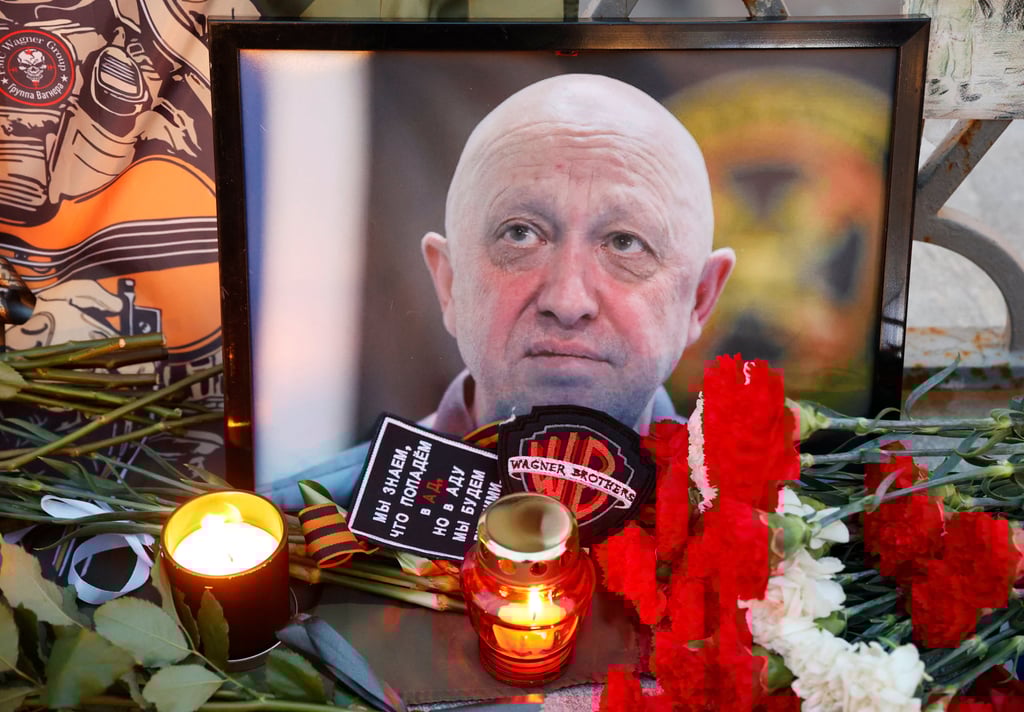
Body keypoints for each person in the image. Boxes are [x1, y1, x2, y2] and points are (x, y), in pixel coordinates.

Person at [263, 73, 735, 511]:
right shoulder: (298, 533)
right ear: (448, 282)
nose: (568, 303)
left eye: (625, 243)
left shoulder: (786, 543)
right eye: (520, 234)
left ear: (699, 298)